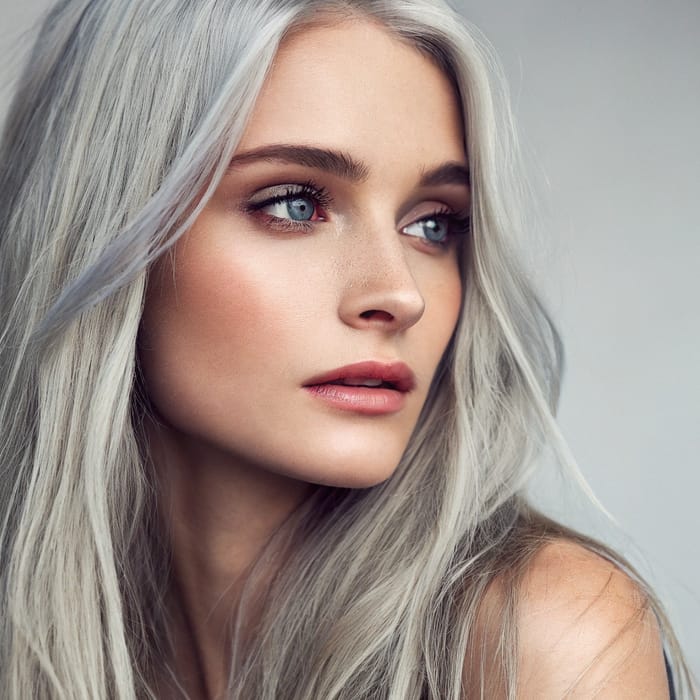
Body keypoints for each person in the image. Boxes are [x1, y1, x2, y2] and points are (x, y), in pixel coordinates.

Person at [0, 0, 694, 698]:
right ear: (105, 232)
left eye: (432, 224)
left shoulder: (541, 638)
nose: (400, 294)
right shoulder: (33, 639)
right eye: (296, 204)